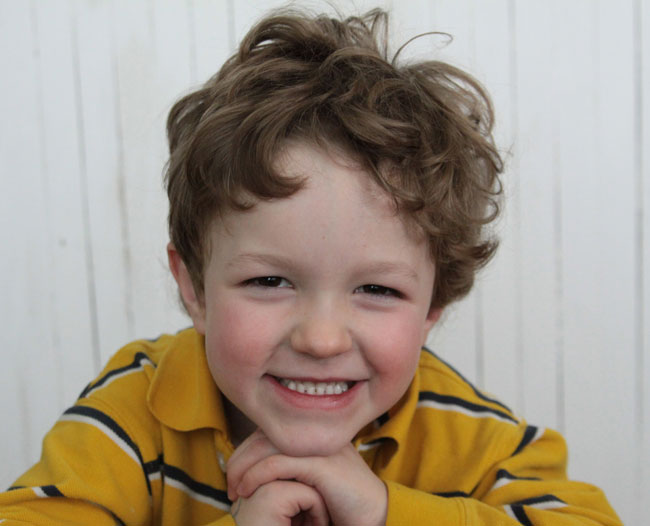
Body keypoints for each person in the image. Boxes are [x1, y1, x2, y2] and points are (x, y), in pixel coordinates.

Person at [0, 7, 621, 526]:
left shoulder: (457, 427)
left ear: (435, 303)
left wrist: (385, 511)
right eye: (268, 281)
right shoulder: (139, 405)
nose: (321, 339)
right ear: (192, 285)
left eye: (377, 289)